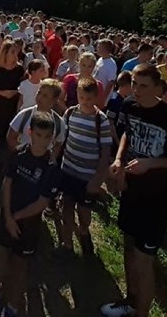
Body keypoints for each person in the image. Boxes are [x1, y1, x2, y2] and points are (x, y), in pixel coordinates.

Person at [102, 63, 167, 317]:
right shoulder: (130, 106)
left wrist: (152, 163)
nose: (137, 90)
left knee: (144, 261)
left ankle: (141, 311)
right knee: (128, 246)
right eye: (134, 83)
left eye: (143, 85)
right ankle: (130, 301)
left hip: (157, 199)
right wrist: (119, 159)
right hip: (131, 191)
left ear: (158, 87)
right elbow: (127, 135)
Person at [0, 112, 60, 317]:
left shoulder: (51, 169)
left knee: (19, 266)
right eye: (39, 135)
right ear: (30, 133)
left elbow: (41, 203)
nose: (42, 141)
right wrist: (7, 215)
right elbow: (7, 184)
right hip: (7, 216)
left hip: (28, 226)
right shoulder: (18, 154)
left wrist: (15, 218)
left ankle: (13, 305)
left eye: (47, 137)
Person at [57, 77, 113, 257]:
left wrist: (97, 180)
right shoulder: (71, 113)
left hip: (88, 176)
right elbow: (62, 138)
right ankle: (67, 245)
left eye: (89, 98)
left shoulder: (101, 120)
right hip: (68, 170)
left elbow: (105, 153)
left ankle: (83, 231)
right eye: (81, 97)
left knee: (84, 212)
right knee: (66, 207)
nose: (85, 102)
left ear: (96, 97)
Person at [0, 39, 24, 164]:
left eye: (16, 52)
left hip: (10, 106)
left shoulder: (19, 70)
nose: (15, 55)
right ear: (5, 53)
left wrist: (13, 93)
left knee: (5, 135)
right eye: (12, 52)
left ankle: (2, 162)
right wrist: (2, 93)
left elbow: (21, 88)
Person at [7, 78, 66, 152]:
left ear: (54, 99)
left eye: (45, 96)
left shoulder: (59, 122)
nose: (40, 97)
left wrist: (51, 157)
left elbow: (58, 144)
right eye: (39, 93)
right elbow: (11, 137)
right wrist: (22, 153)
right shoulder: (25, 114)